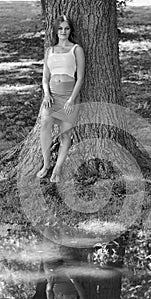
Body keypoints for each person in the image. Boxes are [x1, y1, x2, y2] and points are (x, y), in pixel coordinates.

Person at [37, 14, 85, 182]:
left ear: (70, 30)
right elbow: (45, 77)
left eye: (66, 28)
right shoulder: (49, 50)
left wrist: (72, 99)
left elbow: (80, 78)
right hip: (52, 96)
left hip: (69, 96)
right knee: (45, 124)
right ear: (56, 31)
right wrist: (47, 93)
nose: (63, 31)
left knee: (65, 134)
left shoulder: (76, 49)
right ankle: (46, 164)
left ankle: (57, 169)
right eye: (60, 28)